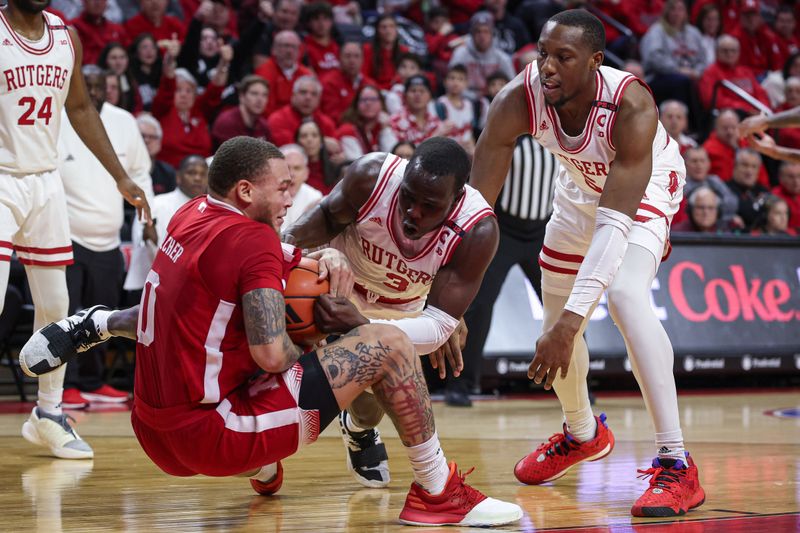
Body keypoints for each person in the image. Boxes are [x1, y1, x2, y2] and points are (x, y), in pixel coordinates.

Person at [19, 137, 522, 528]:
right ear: (246, 191)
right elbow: (272, 356)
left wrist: (317, 261)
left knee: (198, 316)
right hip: (214, 437)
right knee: (386, 347)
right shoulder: (340, 197)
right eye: (282, 187)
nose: (293, 196)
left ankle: (99, 322)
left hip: (152, 431)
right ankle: (438, 493)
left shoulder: (191, 213)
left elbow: (271, 266)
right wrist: (319, 334)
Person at [469, 9, 705, 517]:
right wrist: (446, 295)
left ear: (596, 62)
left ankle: (677, 462)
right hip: (578, 191)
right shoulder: (518, 98)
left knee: (622, 295)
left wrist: (575, 321)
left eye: (563, 57)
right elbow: (475, 206)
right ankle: (582, 434)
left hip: (641, 189)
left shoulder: (631, 104)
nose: (547, 67)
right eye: (542, 54)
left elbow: (616, 223)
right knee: (553, 321)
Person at [282, 136, 499, 491]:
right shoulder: (372, 177)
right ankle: (263, 453)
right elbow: (318, 219)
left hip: (399, 309)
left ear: (456, 200)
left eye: (428, 205)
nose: (412, 211)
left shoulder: (478, 230)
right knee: (277, 361)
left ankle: (358, 428)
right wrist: (279, 256)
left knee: (368, 406)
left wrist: (364, 325)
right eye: (408, 196)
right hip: (333, 283)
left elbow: (438, 327)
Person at [0, 0, 150, 459]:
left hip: (45, 181)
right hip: (2, 175)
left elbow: (81, 108)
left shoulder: (66, 37)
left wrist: (120, 175)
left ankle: (49, 413)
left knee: (57, 304)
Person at [58, 65, 155, 407]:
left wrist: (147, 213)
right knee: (65, 313)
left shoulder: (124, 120)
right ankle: (63, 385)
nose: (95, 91)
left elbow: (141, 171)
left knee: (103, 315)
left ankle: (93, 380)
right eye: (90, 85)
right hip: (67, 234)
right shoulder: (59, 115)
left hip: (109, 237)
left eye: (102, 85)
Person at [447, 133, 559, 407]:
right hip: (505, 230)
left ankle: (576, 382)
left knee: (561, 307)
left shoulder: (561, 139)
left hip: (542, 231)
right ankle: (460, 382)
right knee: (479, 305)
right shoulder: (510, 136)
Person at [124, 155, 209, 295]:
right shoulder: (156, 204)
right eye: (191, 173)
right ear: (178, 177)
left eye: (203, 174)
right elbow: (140, 241)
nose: (198, 178)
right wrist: (150, 241)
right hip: (150, 285)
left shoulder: (212, 210)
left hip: (192, 288)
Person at [449, 12, 515, 98]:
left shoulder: (502, 57)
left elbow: (513, 85)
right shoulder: (460, 53)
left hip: (494, 100)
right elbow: (450, 82)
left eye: (486, 32)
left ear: (492, 35)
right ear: (472, 34)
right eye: (478, 32)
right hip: (465, 99)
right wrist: (474, 96)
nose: (482, 36)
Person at [254, 30, 312, 117]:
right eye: (285, 46)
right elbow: (265, 108)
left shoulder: (307, 75)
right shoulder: (263, 73)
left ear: (300, 51)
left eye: (294, 47)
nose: (289, 51)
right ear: (274, 50)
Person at [211, 75, 271, 149]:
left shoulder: (263, 125)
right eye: (254, 93)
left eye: (264, 95)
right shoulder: (227, 122)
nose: (260, 100)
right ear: (241, 96)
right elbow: (233, 157)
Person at [278, 144, 322, 230]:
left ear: (306, 173)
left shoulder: (315, 198)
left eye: (297, 168)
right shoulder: (268, 196)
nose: (291, 174)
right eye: (287, 168)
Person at [726, 148, 770, 231]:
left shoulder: (764, 191)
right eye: (745, 165)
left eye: (754, 167)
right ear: (735, 166)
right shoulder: (724, 188)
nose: (749, 171)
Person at [138, 114, 176, 195]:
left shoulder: (168, 172)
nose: (147, 141)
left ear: (159, 142)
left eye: (152, 137)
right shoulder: (123, 168)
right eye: (142, 136)